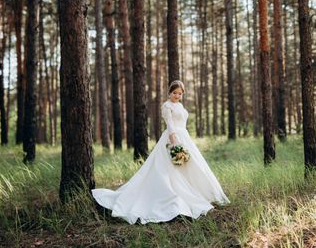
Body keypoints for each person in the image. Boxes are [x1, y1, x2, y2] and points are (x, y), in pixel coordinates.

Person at [92, 80, 230, 224]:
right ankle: (171, 195)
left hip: (184, 137)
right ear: (169, 92)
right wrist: (174, 140)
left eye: (180, 93)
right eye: (175, 92)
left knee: (190, 166)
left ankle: (197, 193)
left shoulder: (180, 105)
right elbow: (170, 123)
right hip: (173, 137)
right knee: (170, 169)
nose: (177, 95)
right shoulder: (166, 106)